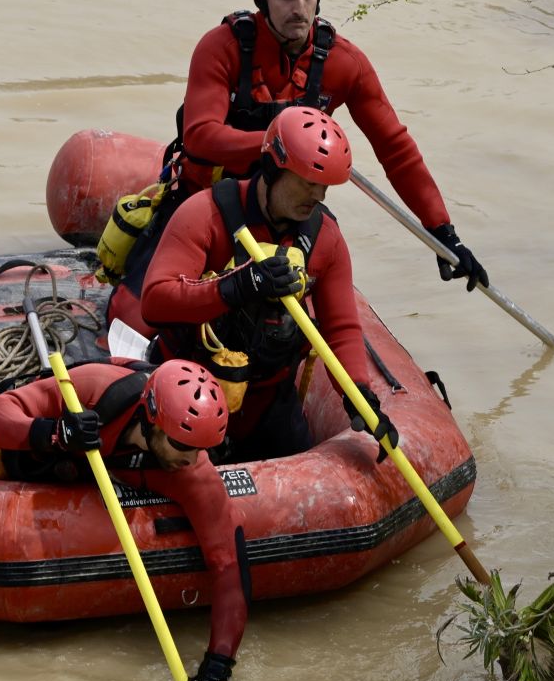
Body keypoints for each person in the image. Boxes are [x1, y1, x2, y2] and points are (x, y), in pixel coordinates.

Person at [112, 0, 487, 324]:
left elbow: (396, 149)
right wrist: (283, 143)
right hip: (203, 206)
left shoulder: (345, 63)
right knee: (134, 316)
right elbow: (201, 136)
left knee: (301, 332)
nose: (299, 8)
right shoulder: (221, 46)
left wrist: (442, 232)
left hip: (289, 214)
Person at [0, 359, 247, 681]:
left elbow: (228, 566)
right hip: (36, 454)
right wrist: (54, 433)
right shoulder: (96, 389)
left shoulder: (193, 472)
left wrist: (217, 667)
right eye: (182, 444)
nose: (191, 458)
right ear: (152, 419)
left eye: (203, 448)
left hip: (77, 477)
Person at [138, 107, 399, 463]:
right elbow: (155, 302)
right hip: (189, 393)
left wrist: (360, 395)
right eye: (309, 183)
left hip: (268, 403)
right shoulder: (206, 213)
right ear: (274, 168)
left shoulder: (325, 238)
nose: (318, 196)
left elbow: (341, 328)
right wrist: (238, 286)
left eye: (324, 186)